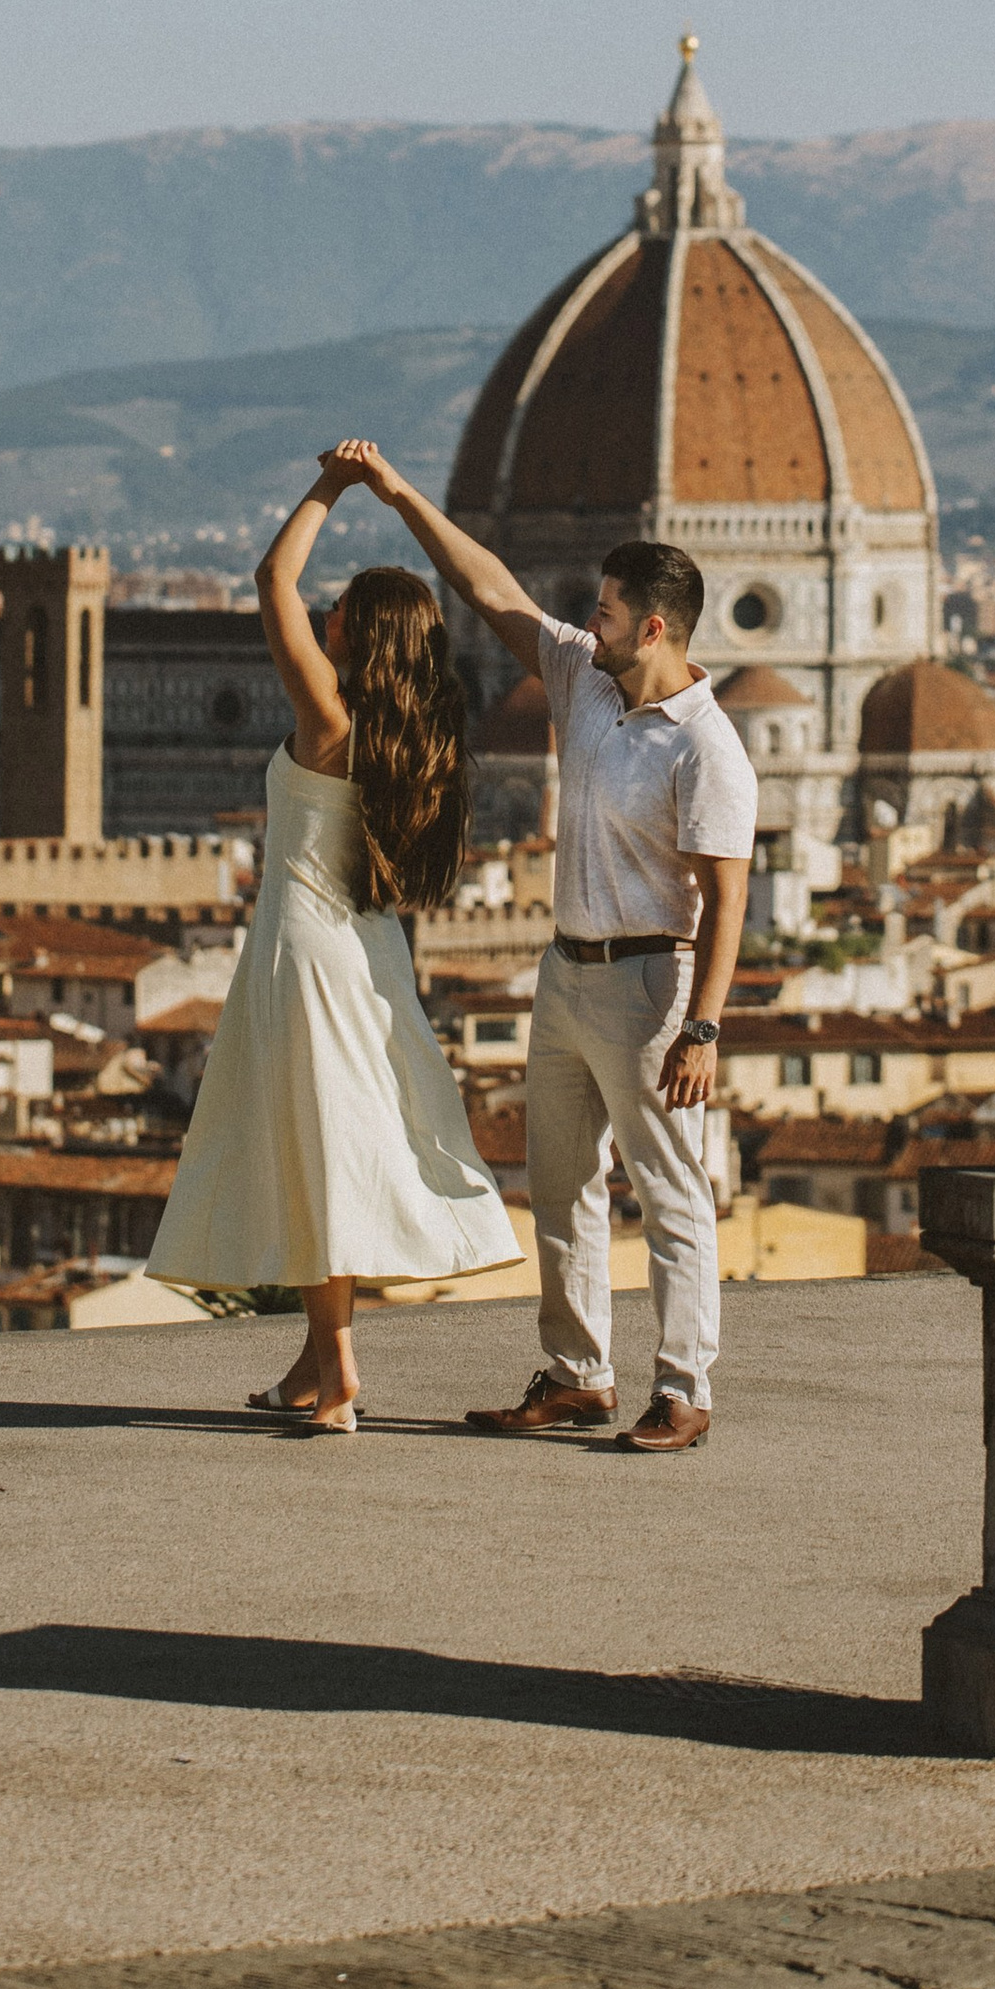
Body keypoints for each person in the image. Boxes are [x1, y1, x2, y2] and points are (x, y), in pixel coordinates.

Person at [330, 440, 754, 1456]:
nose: (587, 621)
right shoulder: (582, 682)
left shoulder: (707, 746)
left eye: (604, 611)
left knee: (670, 1197)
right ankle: (576, 1376)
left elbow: (728, 898)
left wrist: (703, 1024)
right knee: (559, 1188)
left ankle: (684, 1389)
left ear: (653, 627)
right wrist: (399, 497)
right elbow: (490, 588)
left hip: (654, 985)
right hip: (566, 973)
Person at [143, 451, 517, 1426]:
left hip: (300, 952)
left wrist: (328, 487)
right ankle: (316, 1366)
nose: (326, 618)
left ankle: (337, 1366)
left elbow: (272, 580)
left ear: (354, 629)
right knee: (331, 1152)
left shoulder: (327, 716)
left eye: (340, 609)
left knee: (310, 1156)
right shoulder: (422, 732)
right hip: (372, 954)